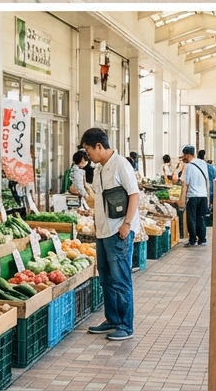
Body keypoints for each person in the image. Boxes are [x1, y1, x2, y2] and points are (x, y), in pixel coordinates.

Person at [81, 127, 141, 342]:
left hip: (119, 232)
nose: (88, 155)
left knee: (121, 279)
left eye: (88, 150)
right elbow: (99, 199)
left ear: (99, 146)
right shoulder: (99, 169)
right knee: (106, 278)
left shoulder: (120, 164)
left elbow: (134, 195)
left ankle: (126, 325)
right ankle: (112, 319)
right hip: (103, 232)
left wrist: (126, 224)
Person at [180, 146, 211, 246]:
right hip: (203, 196)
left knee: (192, 219)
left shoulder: (188, 166)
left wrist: (182, 199)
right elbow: (207, 181)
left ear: (188, 155)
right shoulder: (203, 163)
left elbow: (185, 184)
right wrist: (208, 197)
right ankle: (202, 240)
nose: (183, 157)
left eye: (184, 155)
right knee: (201, 218)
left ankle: (192, 240)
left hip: (192, 196)